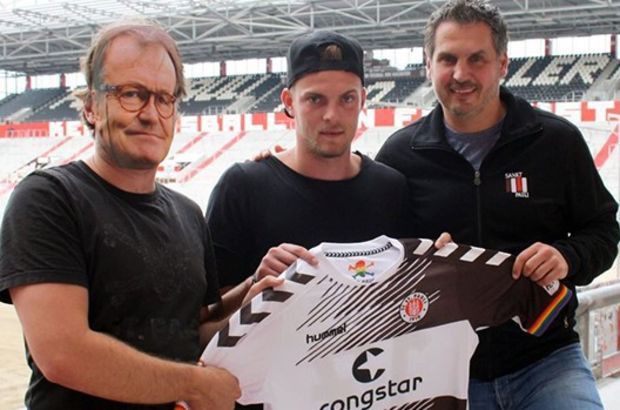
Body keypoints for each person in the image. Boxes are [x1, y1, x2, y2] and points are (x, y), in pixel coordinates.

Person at [0, 20, 277, 410]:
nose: (151, 114)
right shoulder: (50, 198)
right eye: (132, 94)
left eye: (165, 98)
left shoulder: (188, 213)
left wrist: (254, 294)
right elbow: (63, 354)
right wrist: (195, 385)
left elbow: (188, 334)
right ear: (92, 107)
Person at [375, 1, 620, 409]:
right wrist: (421, 264)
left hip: (546, 361)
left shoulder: (555, 141)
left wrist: (566, 257)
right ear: (428, 64)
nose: (461, 74)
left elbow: (604, 231)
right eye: (448, 59)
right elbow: (376, 259)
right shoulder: (399, 155)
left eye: (477, 59)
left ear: (502, 64)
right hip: (440, 370)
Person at [206, 30, 440, 409]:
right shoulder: (243, 186)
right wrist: (253, 286)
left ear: (363, 100)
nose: (332, 115)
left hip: (370, 392)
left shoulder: (391, 187)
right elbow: (206, 314)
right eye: (315, 99)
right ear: (288, 102)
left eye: (347, 99)